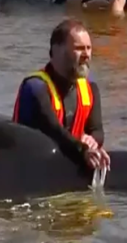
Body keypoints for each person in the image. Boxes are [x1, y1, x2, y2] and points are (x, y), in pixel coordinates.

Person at [12, 19, 111, 172]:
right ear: (56, 51)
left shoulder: (91, 88)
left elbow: (97, 131)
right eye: (79, 48)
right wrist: (82, 150)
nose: (86, 55)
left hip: (69, 156)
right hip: (30, 165)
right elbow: (53, 130)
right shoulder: (35, 87)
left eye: (89, 48)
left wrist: (92, 143)